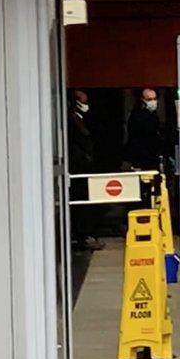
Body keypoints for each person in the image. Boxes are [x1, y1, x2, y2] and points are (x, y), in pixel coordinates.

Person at [67, 90, 105, 251]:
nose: (85, 105)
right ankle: (83, 235)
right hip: (78, 168)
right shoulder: (71, 121)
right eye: (83, 101)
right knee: (81, 204)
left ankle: (86, 233)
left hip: (84, 167)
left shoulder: (81, 120)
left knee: (86, 203)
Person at [126, 88, 165, 170]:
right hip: (141, 156)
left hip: (153, 154)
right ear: (143, 100)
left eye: (155, 99)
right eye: (149, 99)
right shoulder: (137, 116)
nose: (153, 102)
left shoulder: (154, 115)